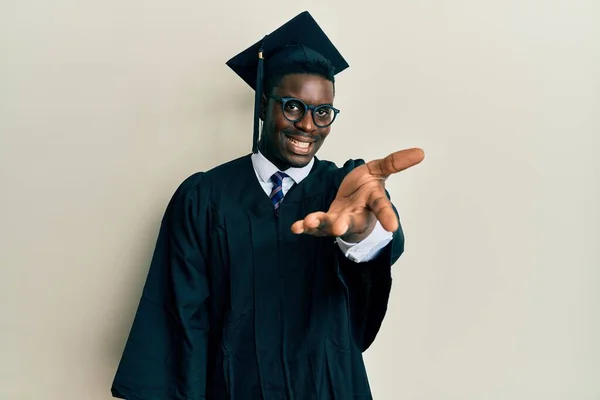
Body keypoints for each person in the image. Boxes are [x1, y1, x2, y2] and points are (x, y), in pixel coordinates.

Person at [111, 10, 424, 400]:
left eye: (322, 112)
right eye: (293, 106)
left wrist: (363, 235)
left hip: (328, 388)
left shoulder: (346, 188)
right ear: (263, 104)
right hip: (234, 388)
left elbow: (382, 253)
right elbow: (180, 318)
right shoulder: (205, 198)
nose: (308, 125)